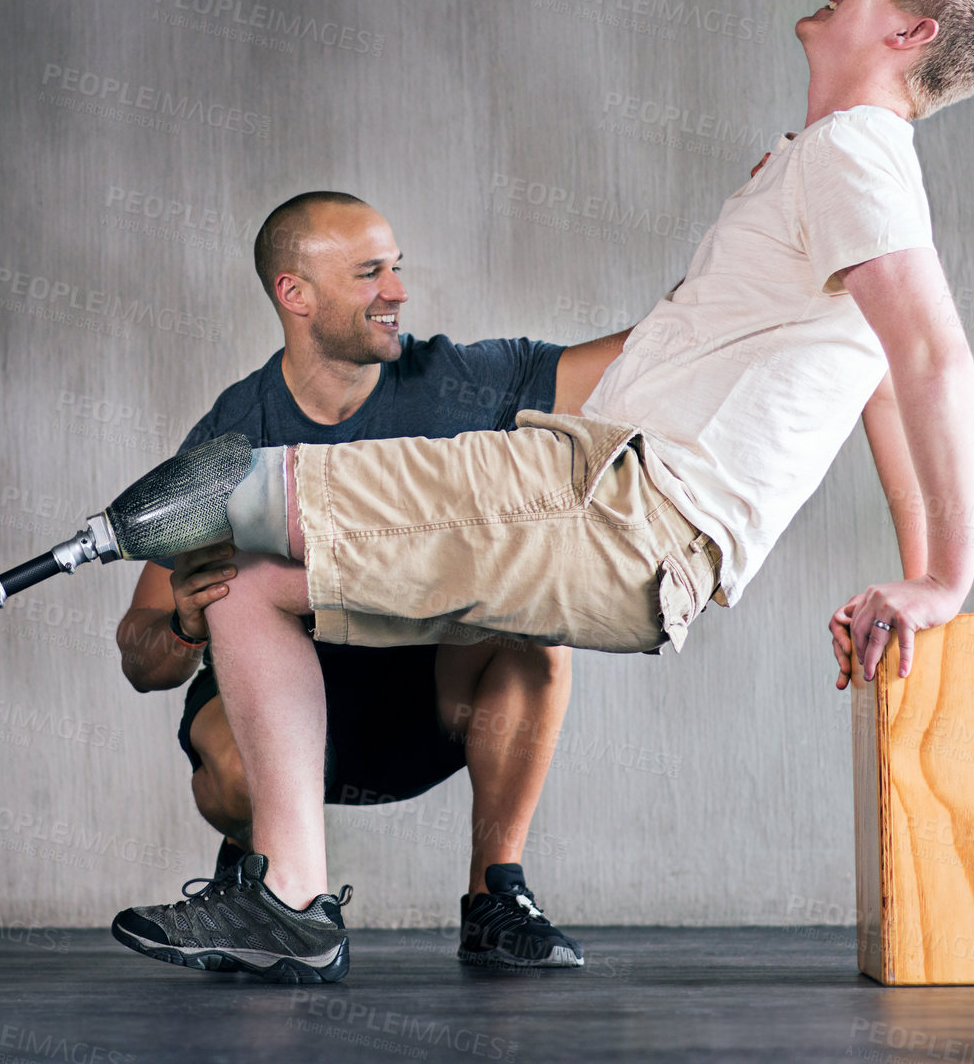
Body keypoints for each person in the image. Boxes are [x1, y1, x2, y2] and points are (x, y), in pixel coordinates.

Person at [0, 0, 974, 984]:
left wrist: (944, 577)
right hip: (583, 481)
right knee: (246, 563)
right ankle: (286, 897)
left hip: (616, 500)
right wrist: (916, 564)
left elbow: (934, 358)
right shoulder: (827, 162)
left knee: (233, 500)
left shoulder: (857, 147)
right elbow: (879, 372)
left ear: (905, 29)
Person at [112, 190, 631, 973]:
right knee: (226, 766)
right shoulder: (232, 435)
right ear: (296, 294)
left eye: (396, 268)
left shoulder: (452, 380)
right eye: (369, 274)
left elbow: (641, 355)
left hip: (423, 699)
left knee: (536, 635)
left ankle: (495, 896)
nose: (398, 291)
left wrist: (753, 255)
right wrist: (185, 624)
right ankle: (267, 883)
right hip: (283, 723)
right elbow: (140, 656)